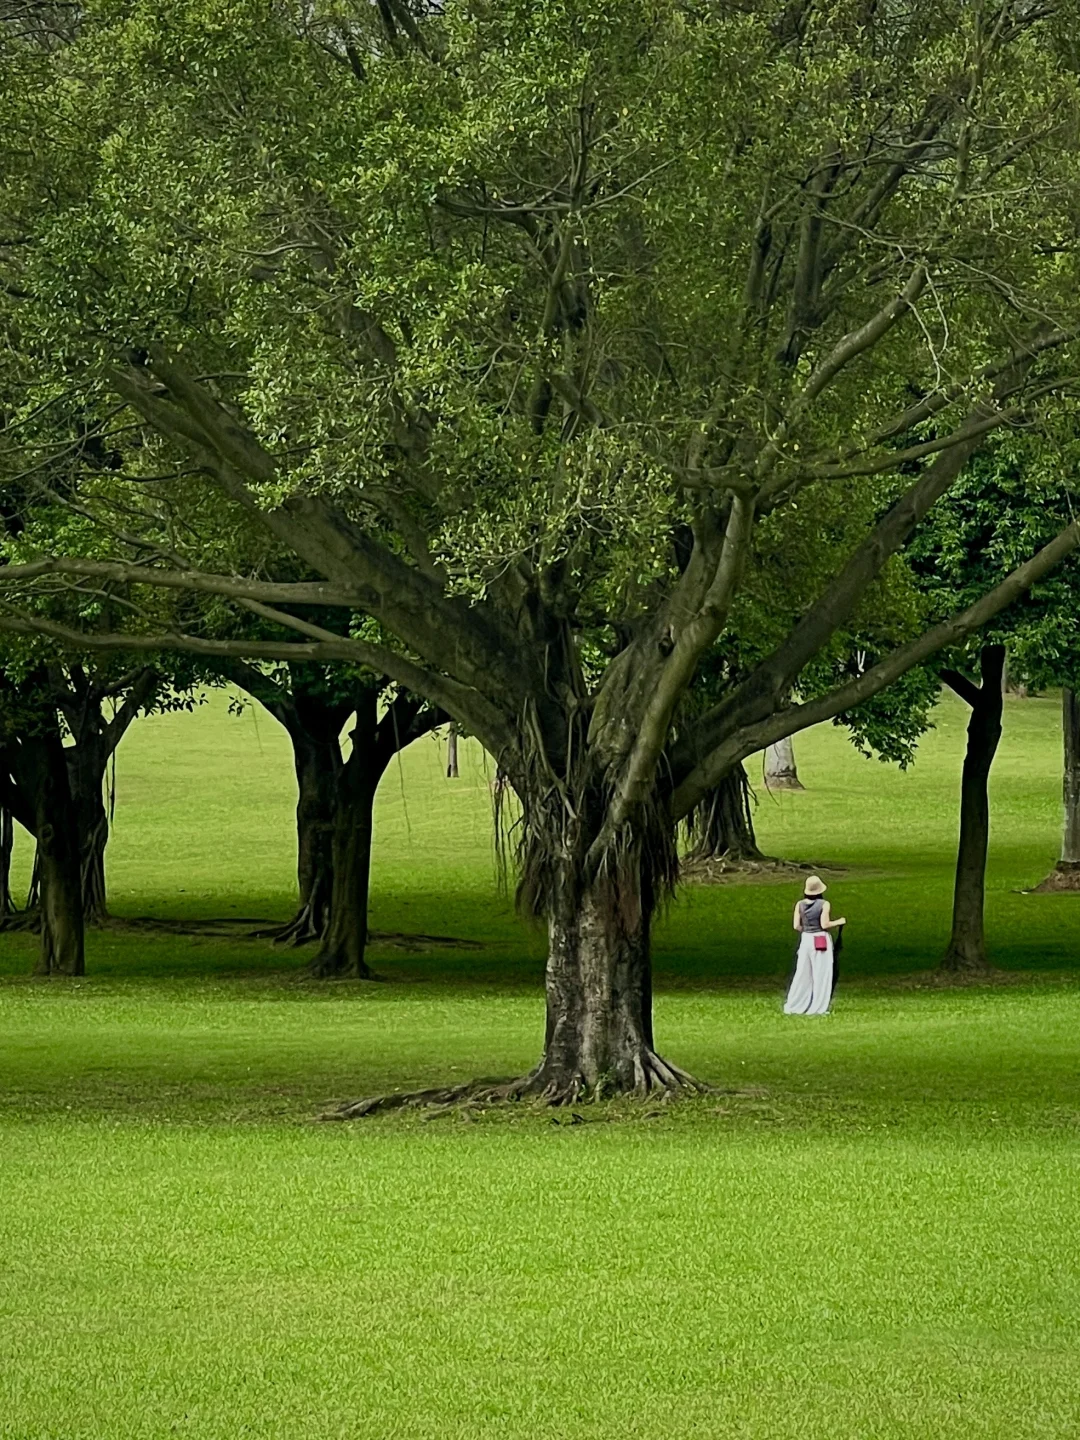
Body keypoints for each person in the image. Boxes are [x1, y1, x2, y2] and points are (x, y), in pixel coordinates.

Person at [784, 875, 845, 1016]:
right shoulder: (824, 904)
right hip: (820, 939)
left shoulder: (799, 905)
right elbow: (825, 924)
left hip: (805, 939)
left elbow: (796, 926)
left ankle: (795, 1004)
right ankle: (818, 1007)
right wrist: (839, 922)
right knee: (821, 973)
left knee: (803, 973)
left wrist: (807, 930)